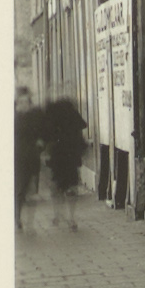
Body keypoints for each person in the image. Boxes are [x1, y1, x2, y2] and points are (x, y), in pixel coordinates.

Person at [39, 96, 88, 231]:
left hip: (57, 157)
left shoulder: (52, 118)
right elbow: (82, 131)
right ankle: (71, 218)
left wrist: (45, 152)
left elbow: (45, 136)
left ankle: (57, 214)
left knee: (57, 186)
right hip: (71, 156)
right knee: (72, 187)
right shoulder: (73, 117)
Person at [14, 87, 43, 230]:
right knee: (20, 190)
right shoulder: (13, 119)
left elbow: (40, 135)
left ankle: (30, 221)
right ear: (17, 103)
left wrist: (40, 143)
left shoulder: (33, 117)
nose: (23, 104)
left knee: (31, 192)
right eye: (21, 102)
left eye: (26, 102)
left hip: (32, 158)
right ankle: (17, 218)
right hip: (18, 159)